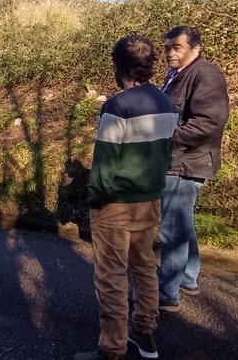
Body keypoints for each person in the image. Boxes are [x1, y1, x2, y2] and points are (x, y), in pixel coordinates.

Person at [76, 35, 177, 360]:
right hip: (149, 200)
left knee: (111, 276)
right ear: (149, 66)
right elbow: (166, 154)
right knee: (144, 267)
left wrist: (95, 200)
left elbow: (104, 166)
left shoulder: (117, 105)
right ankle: (146, 335)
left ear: (119, 66)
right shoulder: (166, 103)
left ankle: (112, 349)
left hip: (114, 204)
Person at [157, 25, 229, 312]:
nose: (170, 53)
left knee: (172, 227)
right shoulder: (178, 74)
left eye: (177, 48)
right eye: (167, 49)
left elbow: (208, 123)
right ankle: (188, 278)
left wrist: (163, 140)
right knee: (182, 222)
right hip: (181, 160)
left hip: (185, 162)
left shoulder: (205, 74)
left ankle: (168, 292)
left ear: (195, 49)